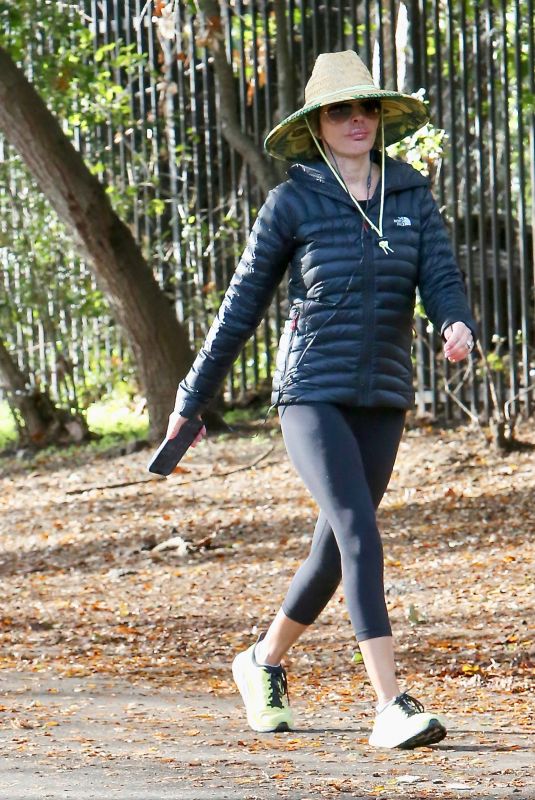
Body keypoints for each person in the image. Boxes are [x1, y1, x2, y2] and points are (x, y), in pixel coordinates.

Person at [166, 50, 477, 749]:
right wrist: (192, 398)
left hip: (383, 393)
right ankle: (391, 704)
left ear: (379, 116)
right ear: (316, 125)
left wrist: (455, 323)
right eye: (340, 109)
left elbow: (442, 280)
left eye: (364, 107)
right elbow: (239, 308)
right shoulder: (294, 201)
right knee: (358, 529)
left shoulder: (411, 195)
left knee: (337, 548)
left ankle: (261, 660)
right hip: (310, 390)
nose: (355, 119)